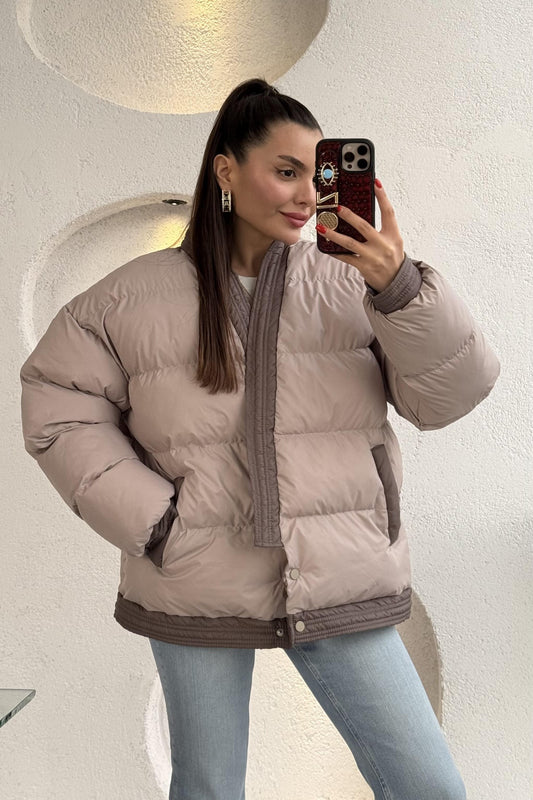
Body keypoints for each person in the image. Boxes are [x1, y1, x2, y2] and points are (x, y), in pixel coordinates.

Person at [20, 77, 500, 800]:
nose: (308, 195)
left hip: (338, 568)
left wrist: (399, 286)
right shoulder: (130, 296)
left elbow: (449, 397)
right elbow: (56, 401)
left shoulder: (355, 285)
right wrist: (157, 522)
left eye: (320, 174)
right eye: (286, 171)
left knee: (428, 786)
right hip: (194, 576)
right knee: (208, 788)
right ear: (226, 171)